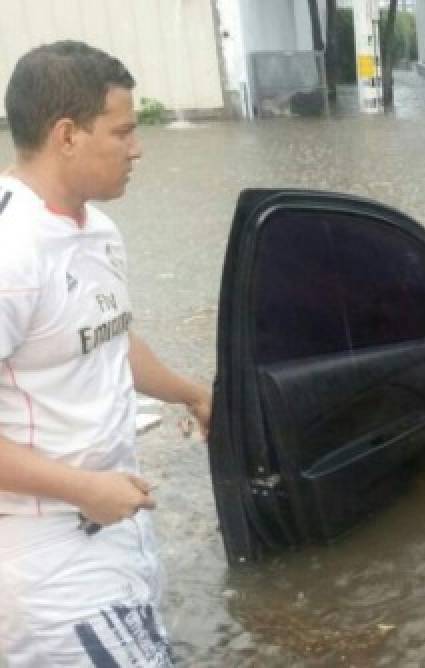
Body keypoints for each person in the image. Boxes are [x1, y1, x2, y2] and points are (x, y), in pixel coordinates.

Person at [0, 41, 211, 666]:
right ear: (67, 135)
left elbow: (109, 338)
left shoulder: (98, 230)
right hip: (45, 556)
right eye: (122, 131)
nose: (138, 147)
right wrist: (83, 487)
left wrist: (195, 393)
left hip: (117, 526)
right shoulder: (11, 254)